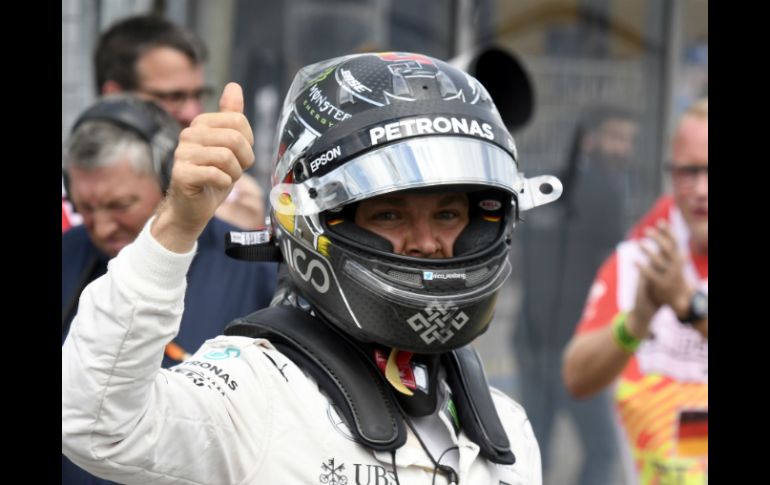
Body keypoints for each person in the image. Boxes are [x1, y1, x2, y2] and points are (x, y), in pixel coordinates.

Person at [62, 52, 565, 484]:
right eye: (389, 214)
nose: (427, 243)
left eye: (449, 214)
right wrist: (176, 224)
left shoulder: (505, 425)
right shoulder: (257, 390)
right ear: (319, 222)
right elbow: (95, 422)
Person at [61, 94, 278, 484]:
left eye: (120, 205)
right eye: (86, 208)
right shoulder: (68, 255)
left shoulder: (252, 265)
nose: (103, 226)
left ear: (167, 181)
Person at [562, 98, 708, 484]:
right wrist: (637, 321)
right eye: (689, 172)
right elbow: (576, 377)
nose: (701, 190)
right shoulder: (639, 260)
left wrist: (692, 307)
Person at [513, 106, 638, 485]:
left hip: (533, 338)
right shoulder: (607, 191)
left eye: (628, 141)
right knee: (602, 451)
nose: (623, 149)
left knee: (536, 450)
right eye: (614, 138)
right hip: (574, 344)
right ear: (588, 139)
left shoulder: (548, 186)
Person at [93, 13, 265, 229]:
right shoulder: (70, 214)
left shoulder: (224, 195)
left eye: (199, 95)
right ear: (115, 98)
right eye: (174, 97)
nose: (193, 113)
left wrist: (242, 245)